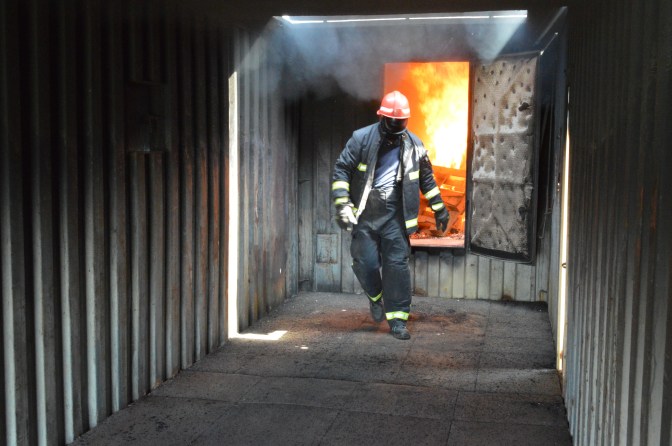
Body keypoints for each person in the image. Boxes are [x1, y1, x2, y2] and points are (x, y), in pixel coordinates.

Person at [331, 90, 449, 340]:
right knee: (365, 263)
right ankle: (375, 298)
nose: (396, 127)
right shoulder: (361, 139)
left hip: (396, 216)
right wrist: (343, 204)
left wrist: (439, 207)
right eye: (393, 122)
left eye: (401, 122)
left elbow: (427, 179)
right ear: (382, 117)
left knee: (397, 267)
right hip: (365, 214)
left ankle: (397, 321)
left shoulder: (415, 145)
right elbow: (341, 169)